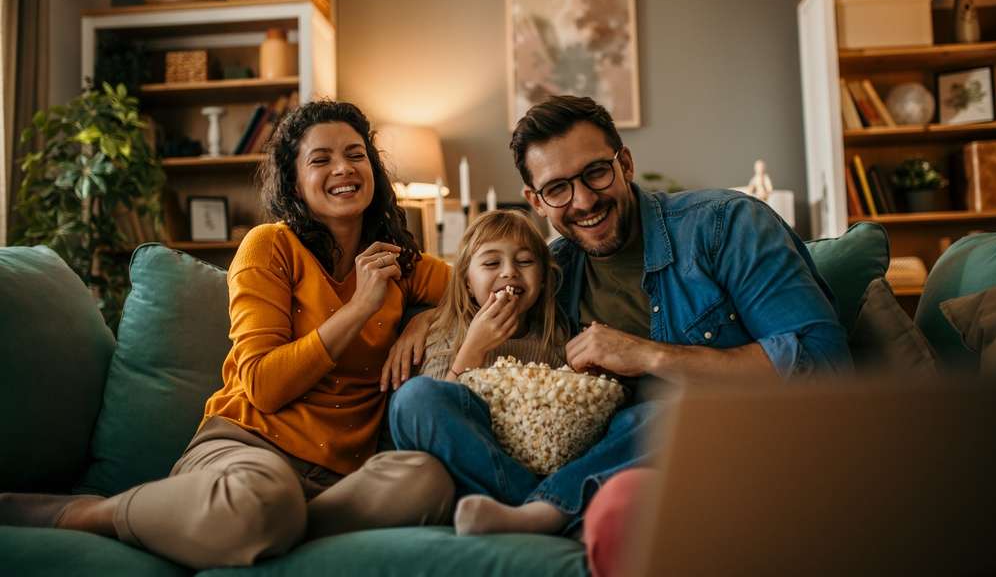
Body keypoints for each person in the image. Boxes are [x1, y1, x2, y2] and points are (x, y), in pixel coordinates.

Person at [0, 101, 456, 569]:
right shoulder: (270, 246)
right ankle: (96, 513)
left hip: (339, 479)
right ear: (295, 181)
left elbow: (477, 286)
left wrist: (426, 320)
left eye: (355, 154)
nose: (343, 168)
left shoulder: (396, 261)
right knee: (263, 501)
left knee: (428, 480)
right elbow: (263, 384)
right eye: (321, 159)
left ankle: (273, 528)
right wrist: (361, 307)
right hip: (246, 452)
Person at [389, 95, 851, 537]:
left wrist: (649, 356)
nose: (584, 201)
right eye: (557, 189)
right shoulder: (556, 271)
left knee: (660, 411)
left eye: (595, 173)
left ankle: (547, 510)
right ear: (536, 200)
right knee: (413, 402)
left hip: (723, 442)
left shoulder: (726, 225)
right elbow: (477, 290)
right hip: (604, 460)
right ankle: (543, 510)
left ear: (624, 164)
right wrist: (421, 318)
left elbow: (825, 365)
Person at [400, 209, 584, 535]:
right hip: (468, 466)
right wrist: (474, 348)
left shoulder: (556, 338)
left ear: (542, 279)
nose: (509, 272)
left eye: (525, 262)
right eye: (491, 263)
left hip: (535, 463)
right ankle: (537, 507)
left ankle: (530, 508)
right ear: (468, 283)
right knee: (414, 396)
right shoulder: (446, 334)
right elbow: (431, 414)